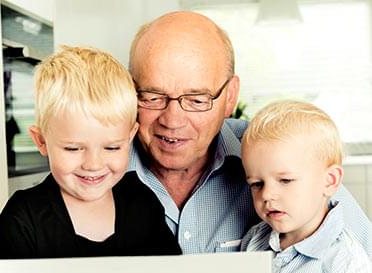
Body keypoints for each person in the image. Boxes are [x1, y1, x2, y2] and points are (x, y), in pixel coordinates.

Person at [127, 10, 372, 255]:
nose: (172, 120)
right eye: (152, 97)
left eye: (197, 100)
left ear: (230, 96)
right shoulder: (97, 168)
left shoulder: (281, 155)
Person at [0, 46, 181, 258]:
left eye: (112, 147)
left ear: (129, 137)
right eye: (73, 148)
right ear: (41, 141)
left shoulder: (143, 203)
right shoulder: (23, 218)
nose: (93, 164)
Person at [240, 100, 372, 273]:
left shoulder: (343, 257)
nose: (267, 194)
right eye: (256, 183)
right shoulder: (255, 241)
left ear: (329, 181)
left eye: (285, 180)